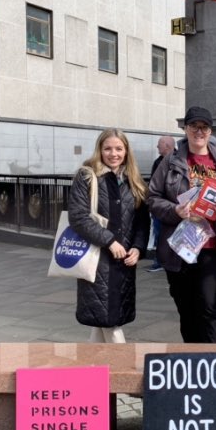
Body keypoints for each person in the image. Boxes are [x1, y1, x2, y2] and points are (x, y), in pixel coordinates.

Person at [148, 106, 216, 343]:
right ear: (186, 129)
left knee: (210, 307)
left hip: (213, 248)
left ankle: (214, 362)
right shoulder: (170, 162)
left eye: (204, 127)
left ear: (210, 131)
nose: (199, 131)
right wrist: (175, 210)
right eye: (194, 126)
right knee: (186, 309)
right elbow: (152, 198)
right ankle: (192, 361)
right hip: (180, 248)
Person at [68, 128, 149, 343]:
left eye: (119, 149)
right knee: (110, 321)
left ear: (126, 151)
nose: (113, 154)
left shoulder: (133, 181)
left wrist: (138, 248)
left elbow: (142, 221)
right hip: (97, 260)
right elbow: (78, 217)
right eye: (108, 148)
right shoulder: (87, 176)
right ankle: (122, 370)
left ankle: (92, 369)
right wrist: (109, 240)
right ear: (100, 150)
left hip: (123, 263)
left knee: (102, 320)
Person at [146, 136, 176, 272]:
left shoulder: (178, 159)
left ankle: (165, 261)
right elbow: (153, 187)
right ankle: (160, 261)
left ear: (167, 146)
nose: (157, 147)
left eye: (159, 145)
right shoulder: (157, 162)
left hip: (175, 208)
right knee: (158, 233)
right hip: (160, 208)